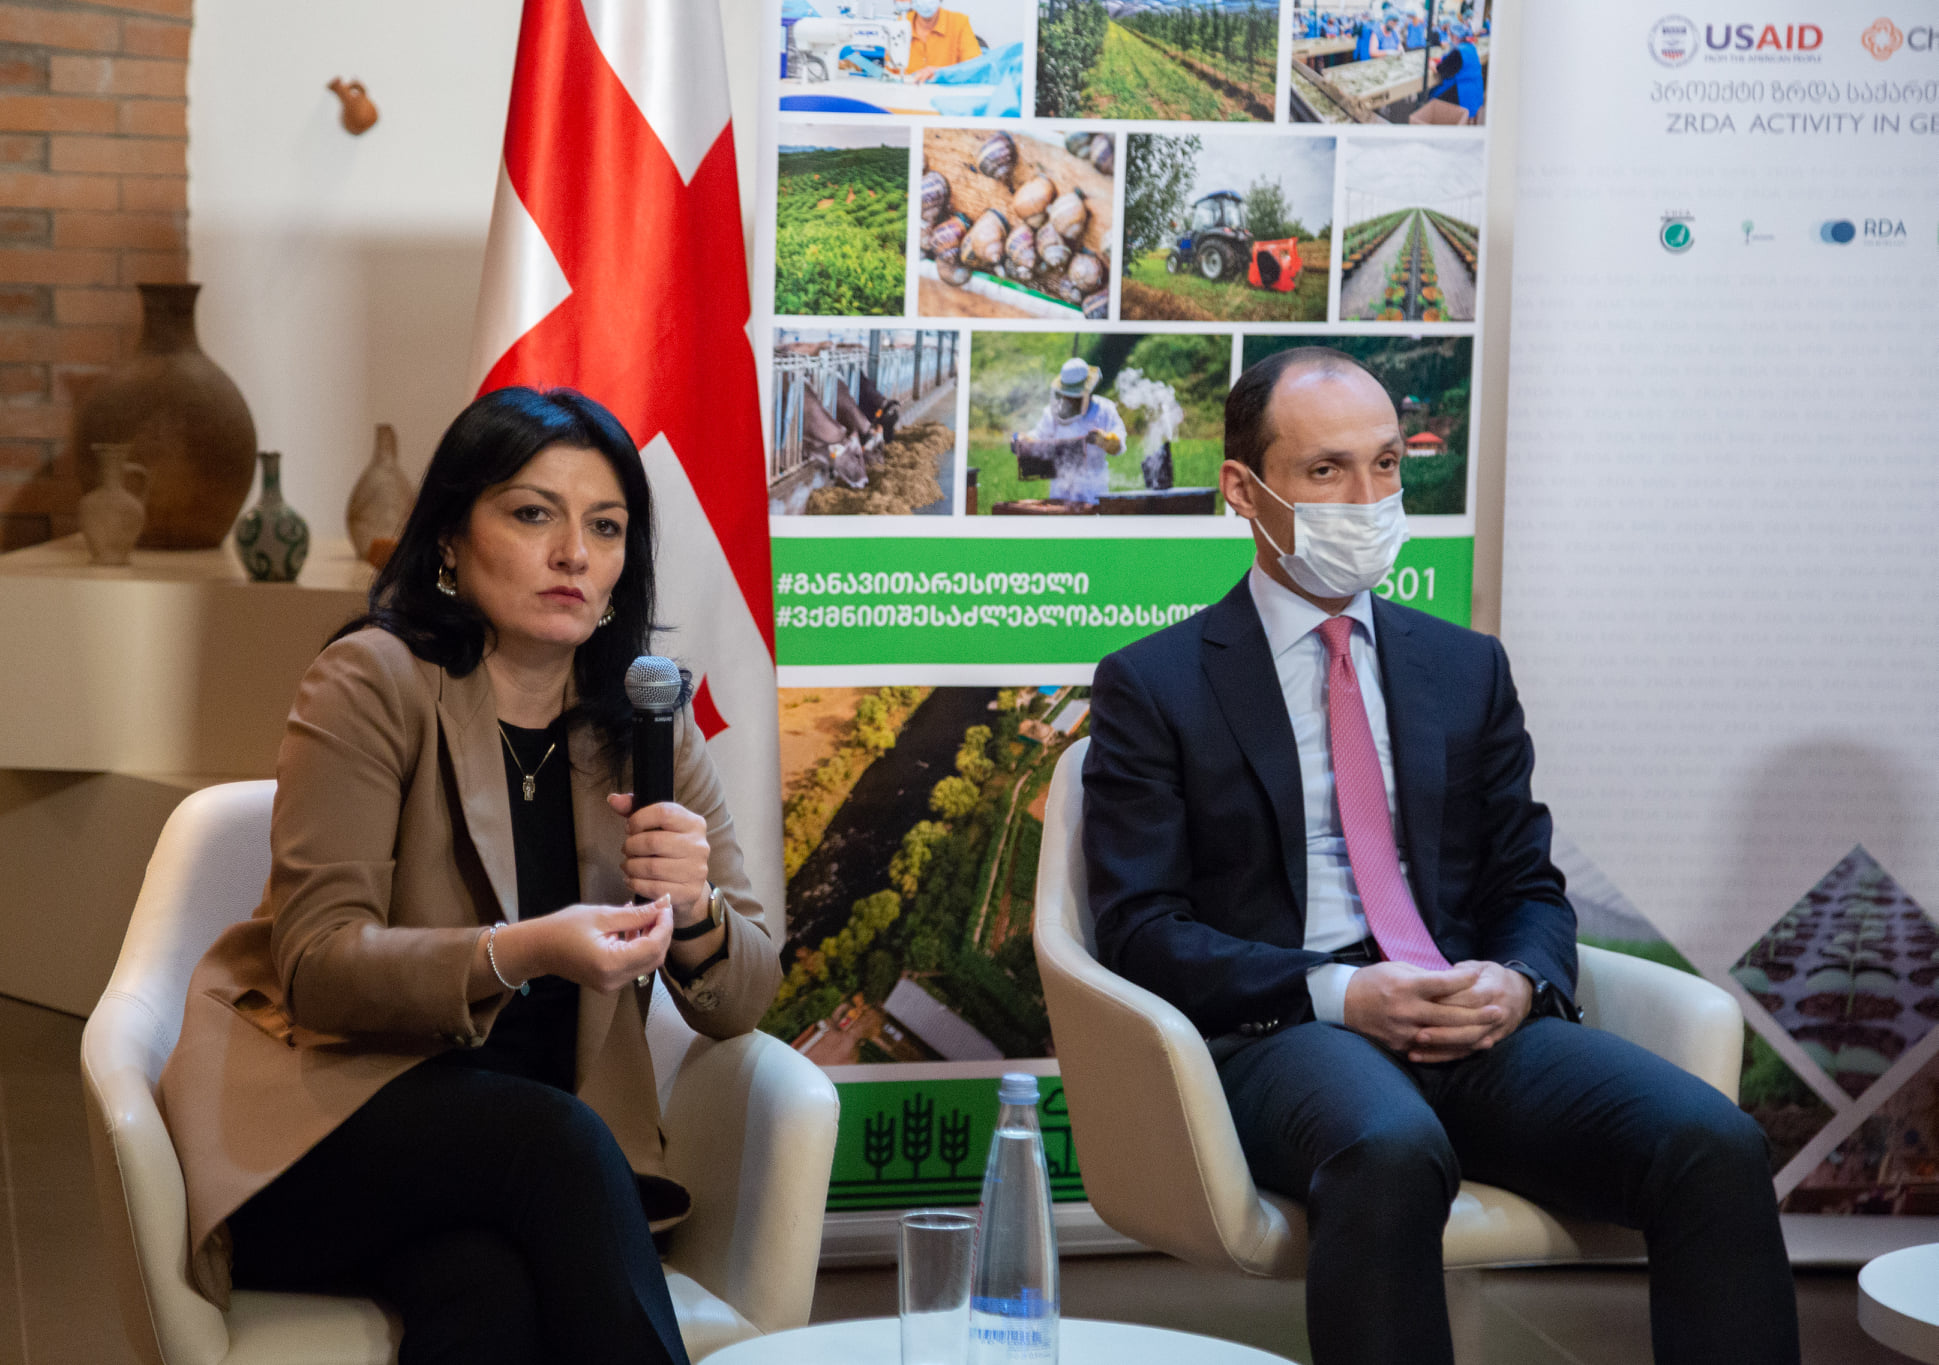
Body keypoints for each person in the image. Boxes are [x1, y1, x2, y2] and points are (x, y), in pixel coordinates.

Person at [1080, 348, 1800, 1365]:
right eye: (1325, 470)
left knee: (1712, 1141)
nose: (1366, 498)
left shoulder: (1464, 668)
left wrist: (1517, 981)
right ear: (1242, 489)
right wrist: (1342, 993)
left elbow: (1527, 885)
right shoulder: (1155, 685)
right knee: (1388, 1146)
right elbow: (1142, 930)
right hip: (1284, 1032)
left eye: (1384, 465)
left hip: (1470, 1022)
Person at [157, 387, 783, 1365]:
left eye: (606, 527)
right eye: (534, 514)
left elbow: (743, 1000)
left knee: (485, 1293)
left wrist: (695, 909)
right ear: (450, 537)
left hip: (512, 1170)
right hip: (328, 1129)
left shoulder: (646, 725)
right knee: (554, 1140)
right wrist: (523, 951)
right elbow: (319, 966)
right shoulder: (370, 681)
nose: (573, 553)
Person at [902, 0, 981, 83]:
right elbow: (892, 73)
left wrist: (942, 73)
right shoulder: (900, 24)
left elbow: (975, 68)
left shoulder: (959, 23)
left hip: (947, 89)